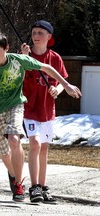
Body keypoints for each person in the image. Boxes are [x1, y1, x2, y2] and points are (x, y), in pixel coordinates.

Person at [0, 31, 81, 202]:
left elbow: (46, 68)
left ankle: (18, 183)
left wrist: (66, 85)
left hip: (15, 105)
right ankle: (12, 174)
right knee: (4, 153)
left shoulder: (18, 61)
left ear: (6, 48)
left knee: (14, 140)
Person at [21, 20, 68, 203]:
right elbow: (17, 78)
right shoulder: (25, 55)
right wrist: (24, 59)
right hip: (29, 109)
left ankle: (43, 185)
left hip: (47, 110)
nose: (36, 36)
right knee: (35, 144)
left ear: (49, 36)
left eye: (40, 32)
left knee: (44, 148)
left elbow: (63, 81)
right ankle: (34, 188)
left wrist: (58, 90)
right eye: (34, 32)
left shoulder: (54, 57)